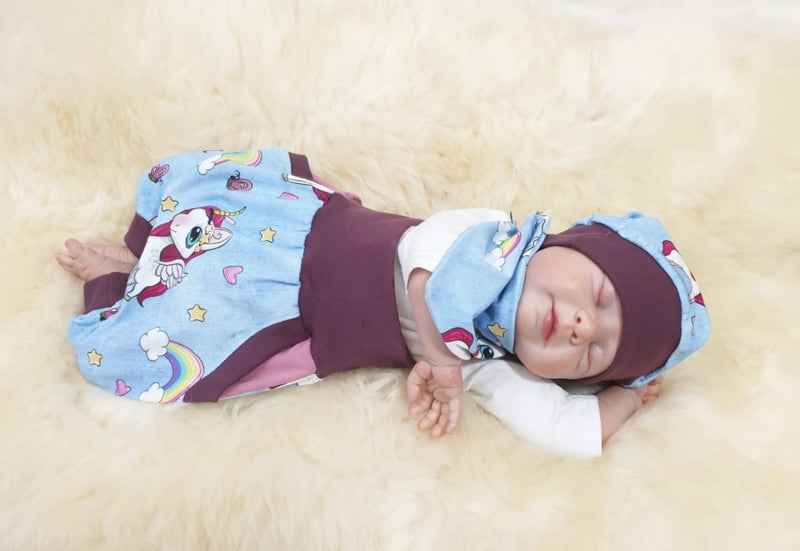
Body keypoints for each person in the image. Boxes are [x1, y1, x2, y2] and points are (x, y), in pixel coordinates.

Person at [56, 147, 710, 456]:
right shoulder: (493, 237)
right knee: (206, 225)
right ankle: (144, 247)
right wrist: (441, 357)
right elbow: (425, 257)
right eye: (598, 295)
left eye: (594, 353)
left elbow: (564, 430)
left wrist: (625, 398)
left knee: (182, 331)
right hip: (299, 231)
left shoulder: (492, 363)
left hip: (291, 320)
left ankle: (116, 281)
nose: (581, 325)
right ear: (568, 242)